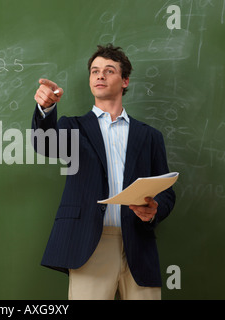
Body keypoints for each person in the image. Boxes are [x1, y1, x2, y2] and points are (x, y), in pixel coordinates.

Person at [32, 44, 176, 300]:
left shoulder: (150, 136)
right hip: (90, 243)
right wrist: (46, 110)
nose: (100, 75)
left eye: (109, 71)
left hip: (140, 245)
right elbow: (43, 143)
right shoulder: (72, 127)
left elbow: (167, 192)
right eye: (95, 71)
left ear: (125, 81)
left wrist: (155, 210)